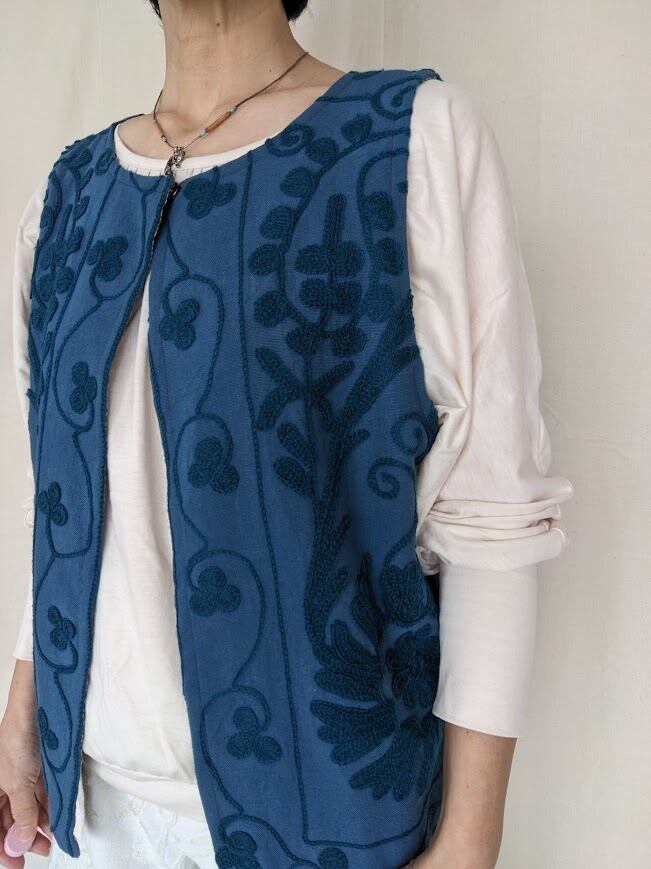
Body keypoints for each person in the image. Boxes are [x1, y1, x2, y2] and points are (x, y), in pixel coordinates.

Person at [0, 1, 574, 867]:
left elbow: (494, 513)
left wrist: (466, 843)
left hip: (331, 815)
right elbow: (62, 499)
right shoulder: (69, 194)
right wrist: (22, 708)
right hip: (98, 809)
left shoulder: (410, 139)